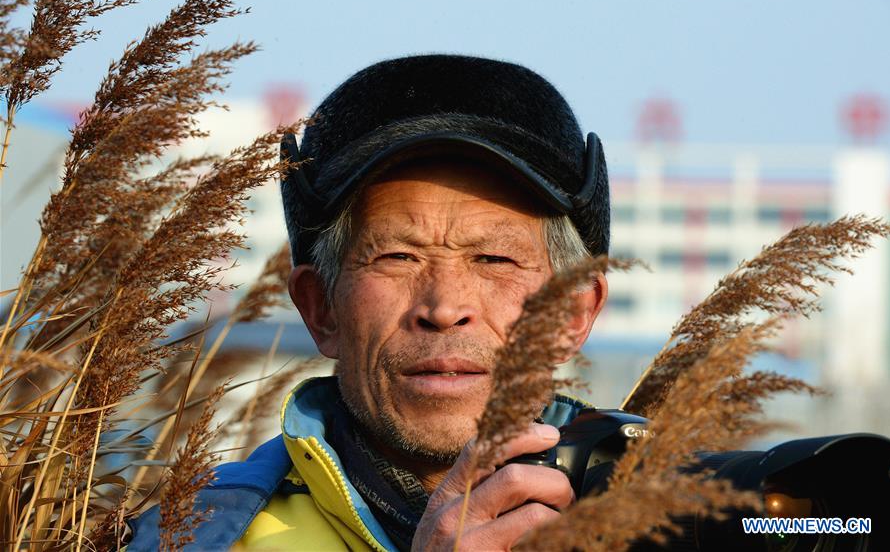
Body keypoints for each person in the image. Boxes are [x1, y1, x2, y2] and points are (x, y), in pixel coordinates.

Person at [127, 54, 611, 551]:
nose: (443, 308)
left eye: (492, 258)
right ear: (321, 309)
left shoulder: (670, 519)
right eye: (397, 256)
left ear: (573, 313)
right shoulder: (192, 538)